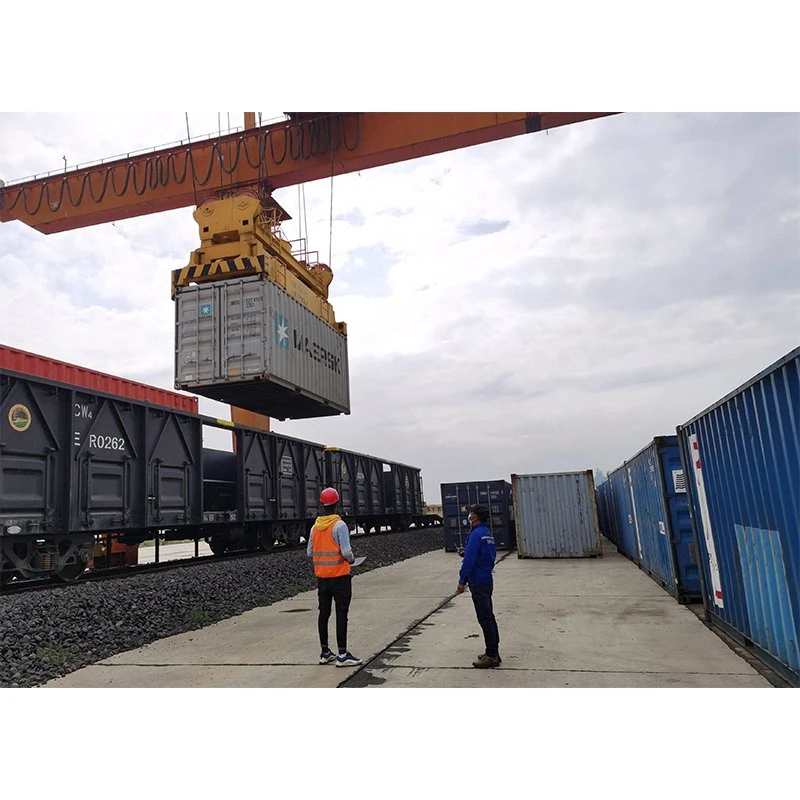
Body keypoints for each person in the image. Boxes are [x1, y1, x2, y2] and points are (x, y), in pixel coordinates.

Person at [307, 487, 362, 667]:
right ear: (337, 504)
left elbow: (309, 552)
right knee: (341, 614)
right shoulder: (339, 525)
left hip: (322, 579)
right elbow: (347, 552)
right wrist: (352, 560)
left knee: (324, 614)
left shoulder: (315, 527)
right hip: (340, 578)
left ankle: (324, 652)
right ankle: (342, 655)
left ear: (322, 505)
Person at [456, 504, 501, 668]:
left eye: (470, 514)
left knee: (485, 618)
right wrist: (466, 552)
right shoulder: (487, 534)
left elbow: (469, 562)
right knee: (489, 617)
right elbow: (488, 556)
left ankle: (491, 656)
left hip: (477, 581)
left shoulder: (475, 535)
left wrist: (462, 580)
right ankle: (493, 651)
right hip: (486, 579)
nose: (468, 516)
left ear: (475, 517)